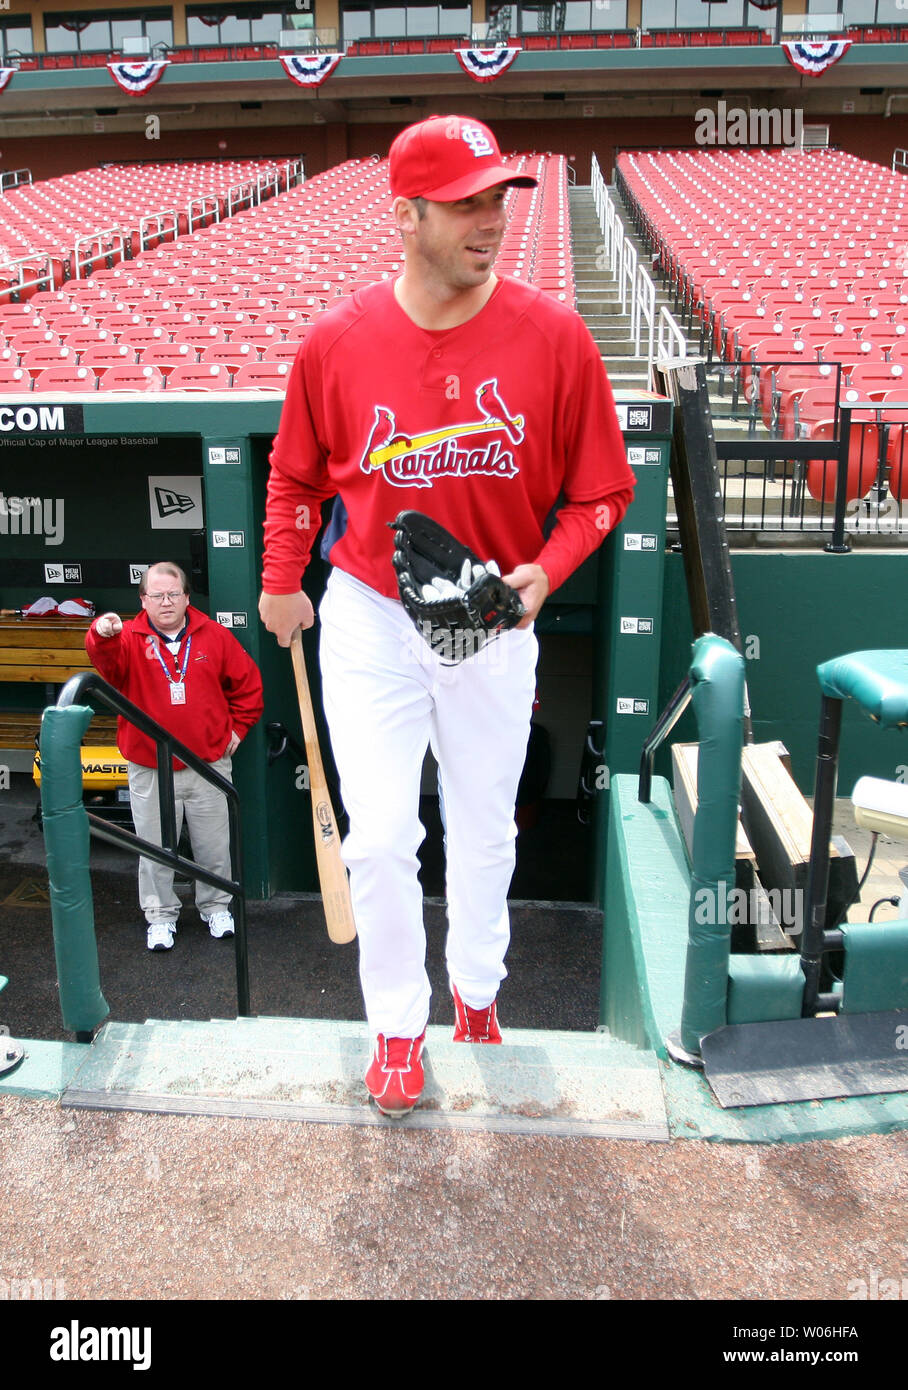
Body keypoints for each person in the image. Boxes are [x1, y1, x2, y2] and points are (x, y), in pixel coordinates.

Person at [259, 114, 635, 1116]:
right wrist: (279, 574)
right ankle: (394, 1024)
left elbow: (602, 494)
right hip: (374, 612)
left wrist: (545, 572)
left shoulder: (553, 337)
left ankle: (474, 991)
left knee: (480, 834)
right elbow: (294, 474)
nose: (490, 218)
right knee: (378, 838)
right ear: (406, 214)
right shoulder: (336, 341)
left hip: (486, 617)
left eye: (498, 198)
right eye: (464, 202)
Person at [86, 562, 264, 952]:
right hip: (151, 766)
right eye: (156, 595)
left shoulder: (213, 635)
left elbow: (248, 685)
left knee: (214, 846)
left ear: (186, 597)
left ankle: (216, 907)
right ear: (143, 600)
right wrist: (101, 635)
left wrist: (237, 730)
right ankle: (161, 916)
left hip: (207, 764)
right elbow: (108, 666)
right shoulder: (128, 637)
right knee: (155, 848)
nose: (165, 602)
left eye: (172, 594)